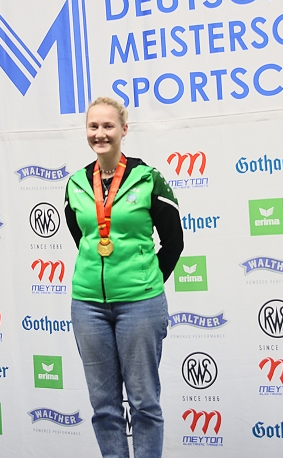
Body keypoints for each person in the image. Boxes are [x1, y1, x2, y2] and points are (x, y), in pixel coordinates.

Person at [64, 97, 184, 458]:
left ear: (124, 130)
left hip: (140, 305)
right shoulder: (75, 184)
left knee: (144, 402)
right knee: (104, 407)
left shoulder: (149, 179)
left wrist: (146, 280)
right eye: (93, 126)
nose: (100, 134)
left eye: (108, 126)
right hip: (88, 306)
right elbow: (83, 238)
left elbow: (174, 242)